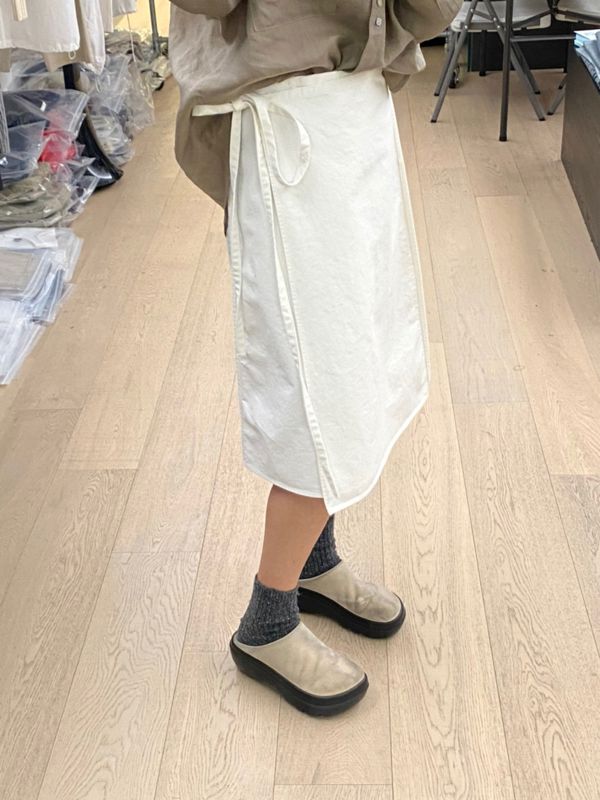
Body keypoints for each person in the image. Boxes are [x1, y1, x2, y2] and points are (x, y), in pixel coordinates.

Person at [168, 0, 460, 716]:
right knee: (318, 386)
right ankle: (266, 622)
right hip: (285, 117)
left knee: (362, 358)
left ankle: (314, 562)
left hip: (354, 106)